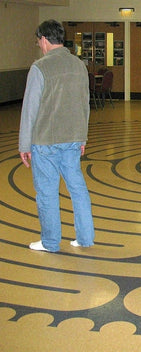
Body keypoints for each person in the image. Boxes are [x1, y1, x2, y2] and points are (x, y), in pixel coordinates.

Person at [18, 19, 95, 252]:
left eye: (38, 41)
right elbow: (85, 103)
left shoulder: (39, 67)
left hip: (45, 141)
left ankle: (51, 242)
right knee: (78, 189)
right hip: (73, 138)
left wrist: (24, 144)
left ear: (43, 39)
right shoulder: (79, 65)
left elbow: (30, 109)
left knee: (47, 192)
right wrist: (82, 138)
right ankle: (85, 238)